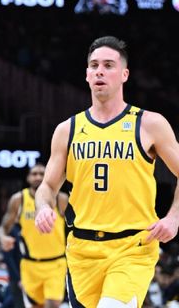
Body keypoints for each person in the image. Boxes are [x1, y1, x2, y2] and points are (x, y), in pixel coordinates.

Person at [35, 36, 179, 308]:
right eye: (94, 65)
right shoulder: (68, 130)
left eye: (109, 65)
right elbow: (48, 187)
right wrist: (44, 206)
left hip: (132, 248)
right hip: (82, 250)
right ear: (87, 75)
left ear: (124, 74)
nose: (100, 70)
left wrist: (174, 217)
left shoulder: (149, 124)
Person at [0, 163, 66, 308]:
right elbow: (2, 228)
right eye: (34, 174)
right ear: (28, 178)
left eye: (42, 173)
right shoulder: (19, 199)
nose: (38, 177)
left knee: (52, 304)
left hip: (56, 263)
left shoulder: (61, 199)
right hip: (30, 265)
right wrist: (3, 238)